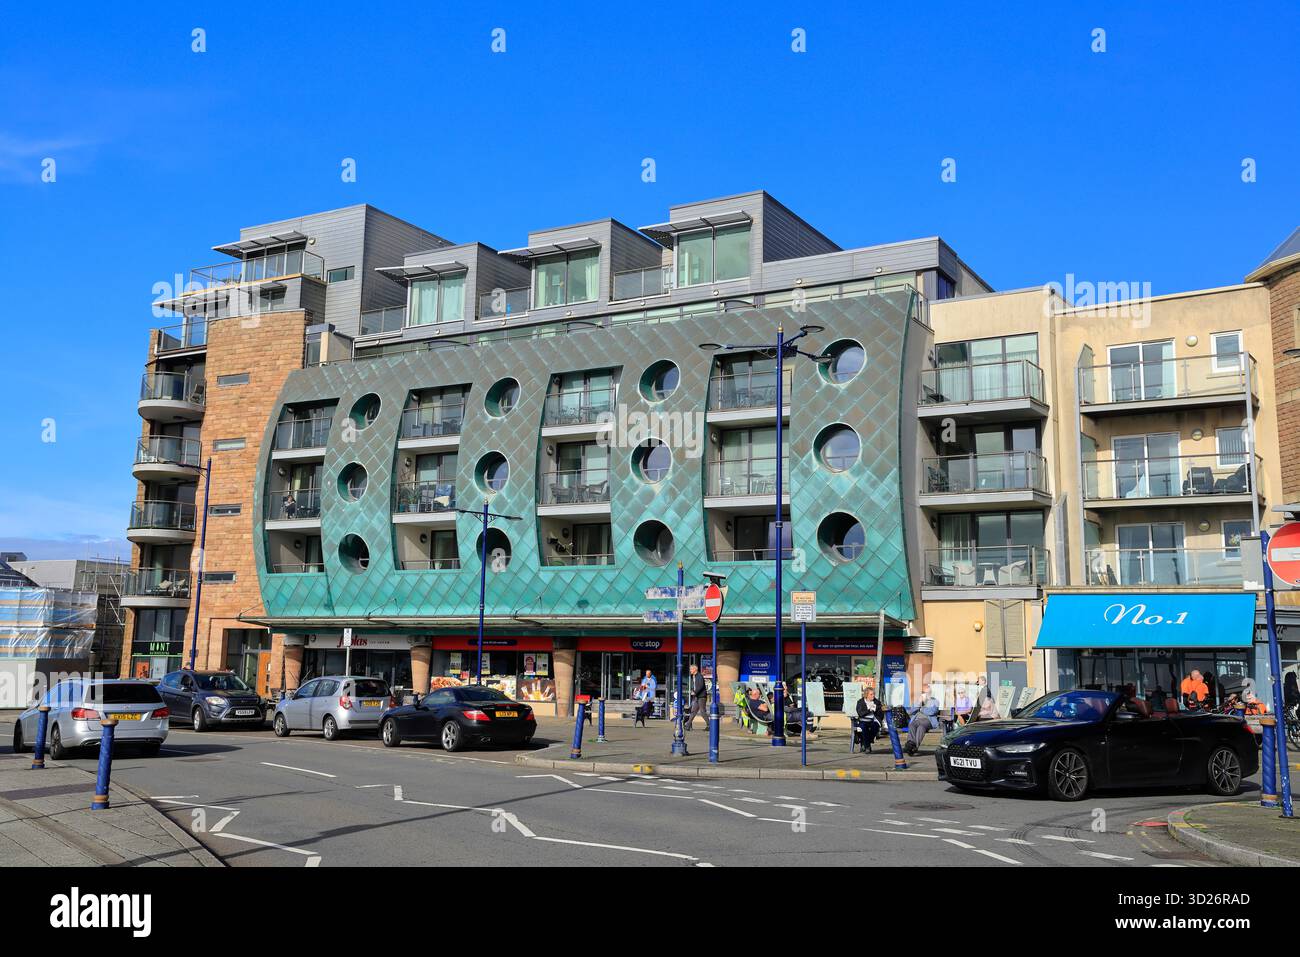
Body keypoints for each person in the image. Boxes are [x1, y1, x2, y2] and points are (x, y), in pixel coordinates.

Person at [904, 684, 940, 755]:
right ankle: (911, 745)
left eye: (928, 692)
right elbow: (910, 711)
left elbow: (932, 712)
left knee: (918, 725)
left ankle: (913, 746)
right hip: (918, 720)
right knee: (916, 726)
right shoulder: (919, 701)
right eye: (924, 692)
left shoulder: (935, 701)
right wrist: (919, 703)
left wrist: (921, 709)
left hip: (928, 721)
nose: (926, 694)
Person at [856, 686, 882, 752]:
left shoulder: (877, 702)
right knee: (864, 728)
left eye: (873, 694)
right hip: (863, 720)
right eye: (871, 694)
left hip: (873, 720)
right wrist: (869, 710)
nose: (873, 696)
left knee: (875, 727)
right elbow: (860, 713)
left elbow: (881, 714)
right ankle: (867, 746)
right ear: (866, 695)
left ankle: (865, 744)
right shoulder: (860, 702)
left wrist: (876, 710)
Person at [683, 663, 708, 731]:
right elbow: (697, 686)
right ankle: (688, 726)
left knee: (702, 711)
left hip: (701, 697)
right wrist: (694, 691)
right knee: (693, 711)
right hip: (697, 696)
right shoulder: (695, 676)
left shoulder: (699, 676)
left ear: (695, 669)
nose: (690, 670)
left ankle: (709, 725)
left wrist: (695, 692)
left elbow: (701, 686)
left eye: (691, 669)